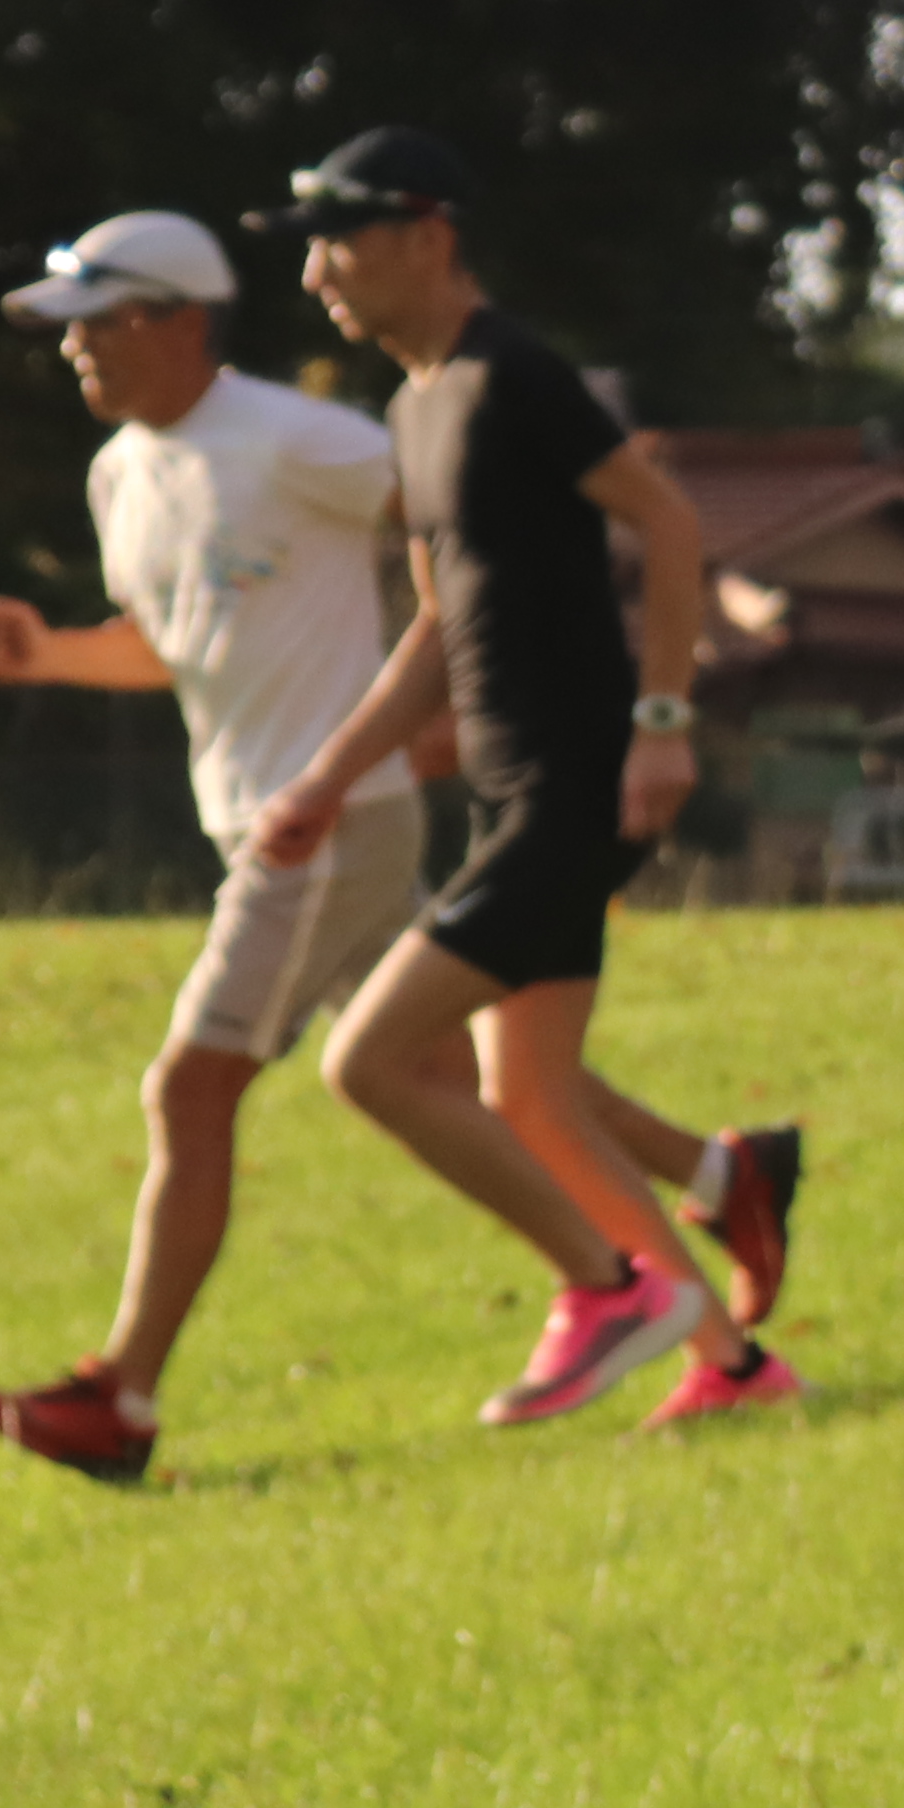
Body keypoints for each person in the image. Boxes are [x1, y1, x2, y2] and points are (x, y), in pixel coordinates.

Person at [0, 214, 799, 1488]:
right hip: (261, 812)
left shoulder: (304, 439)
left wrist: (462, 713)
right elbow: (171, 643)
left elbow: (475, 534)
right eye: (64, 325)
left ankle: (121, 1396)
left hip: (327, 821)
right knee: (468, 1083)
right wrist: (53, 655)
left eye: (100, 318)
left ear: (185, 320)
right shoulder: (119, 473)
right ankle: (724, 1260)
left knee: (195, 1088)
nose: (75, 347)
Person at [244, 131, 802, 1435]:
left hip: (577, 788)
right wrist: (327, 777)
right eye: (311, 247)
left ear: (428, 236)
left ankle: (608, 1293)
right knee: (531, 1097)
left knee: (371, 1059)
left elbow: (666, 522)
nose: (319, 272)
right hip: (509, 793)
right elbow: (438, 631)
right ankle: (731, 1367)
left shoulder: (518, 377)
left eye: (342, 239)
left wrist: (664, 722)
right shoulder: (415, 406)